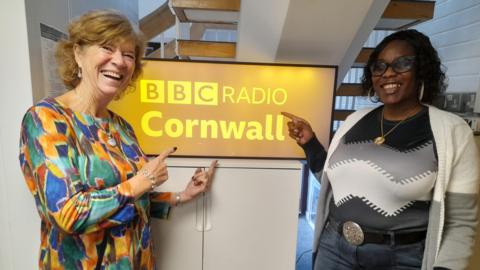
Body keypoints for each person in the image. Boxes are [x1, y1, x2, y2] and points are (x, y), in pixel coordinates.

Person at [18, 10, 217, 269]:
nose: (119, 61)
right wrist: (143, 180)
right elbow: (67, 214)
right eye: (107, 48)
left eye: (128, 55)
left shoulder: (121, 127)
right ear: (78, 54)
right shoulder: (45, 119)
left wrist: (181, 196)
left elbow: (131, 199)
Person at [283, 29, 480, 270]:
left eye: (402, 64)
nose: (388, 73)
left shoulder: (452, 131)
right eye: (380, 66)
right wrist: (310, 143)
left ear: (422, 70)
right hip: (334, 249)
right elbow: (331, 183)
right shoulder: (353, 121)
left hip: (400, 259)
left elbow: (461, 222)